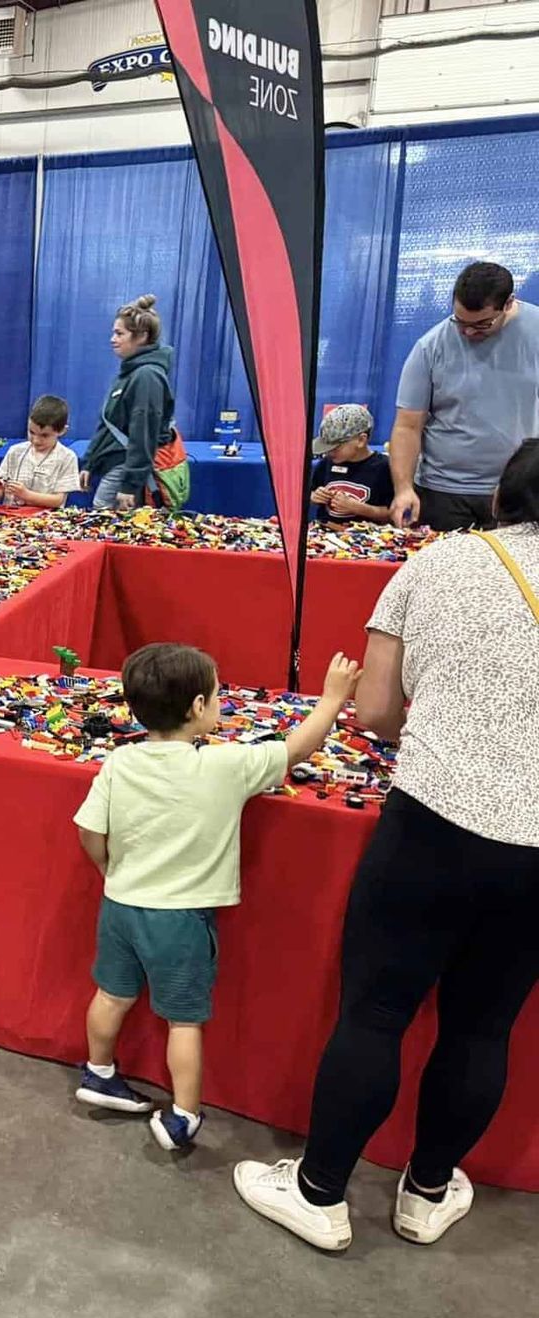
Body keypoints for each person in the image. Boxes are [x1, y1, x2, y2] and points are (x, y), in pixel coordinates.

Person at [234, 440, 539, 1253]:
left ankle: (321, 1191)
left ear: (502, 498)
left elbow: (372, 710)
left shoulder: (441, 565)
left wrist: (440, 733)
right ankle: (427, 1191)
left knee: (375, 1010)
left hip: (431, 821)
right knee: (484, 1026)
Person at [73, 642, 361, 1150]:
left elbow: (89, 830)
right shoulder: (227, 767)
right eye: (217, 694)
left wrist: (106, 868)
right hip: (180, 919)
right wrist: (332, 698)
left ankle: (98, 1071)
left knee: (112, 993)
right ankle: (184, 1114)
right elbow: (297, 749)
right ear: (198, 708)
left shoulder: (119, 763)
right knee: (184, 1019)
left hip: (120, 905)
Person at [390, 261, 539, 531]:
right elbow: (407, 426)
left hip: (518, 493)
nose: (468, 332)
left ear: (508, 303)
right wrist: (403, 489)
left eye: (482, 324)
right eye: (460, 322)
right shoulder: (430, 346)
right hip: (443, 493)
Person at [78, 295, 175, 512]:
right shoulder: (129, 373)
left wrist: (130, 485)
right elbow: (108, 425)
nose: (113, 339)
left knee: (104, 521)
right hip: (115, 464)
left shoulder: (147, 376)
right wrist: (90, 462)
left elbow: (143, 433)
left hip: (125, 467)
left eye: (119, 333)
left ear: (141, 336)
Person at [0, 395, 80, 510]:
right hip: (10, 519)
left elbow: (58, 500)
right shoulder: (15, 452)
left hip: (46, 522)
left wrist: (26, 495)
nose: (36, 440)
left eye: (44, 435)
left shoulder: (67, 457)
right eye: (31, 432)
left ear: (62, 431)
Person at [310, 405, 393, 525]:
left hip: (369, 538)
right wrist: (315, 496)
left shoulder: (384, 468)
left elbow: (393, 514)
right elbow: (310, 492)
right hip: (325, 534)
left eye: (336, 447)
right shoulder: (325, 463)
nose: (329, 452)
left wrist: (360, 508)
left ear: (361, 440)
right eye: (327, 447)